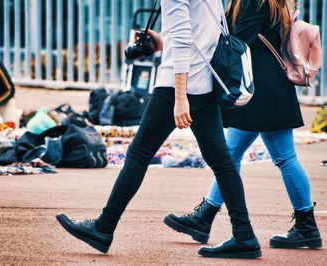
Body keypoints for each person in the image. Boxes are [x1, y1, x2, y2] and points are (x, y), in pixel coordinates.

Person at [56, 0, 261, 259]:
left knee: (139, 153)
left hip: (178, 84)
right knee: (221, 161)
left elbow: (185, 37)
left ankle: (103, 228)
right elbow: (204, 30)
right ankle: (244, 236)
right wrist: (161, 41)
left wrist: (180, 95)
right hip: (205, 83)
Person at [164, 0, 322, 250]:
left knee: (281, 157)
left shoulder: (253, 1)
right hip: (267, 85)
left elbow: (238, 40)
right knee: (234, 155)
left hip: (260, 88)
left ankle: (306, 226)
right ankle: (205, 217)